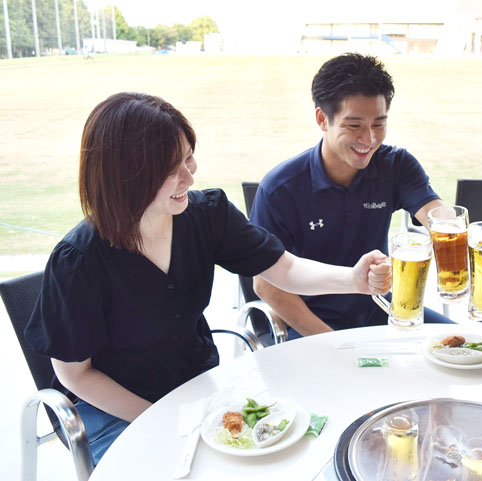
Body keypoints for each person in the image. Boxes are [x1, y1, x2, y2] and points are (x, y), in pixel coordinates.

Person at [23, 92, 391, 464]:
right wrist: (158, 418)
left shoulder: (206, 215)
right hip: (113, 409)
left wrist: (353, 279)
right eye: (170, 169)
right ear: (125, 176)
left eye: (188, 157)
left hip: (196, 387)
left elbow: (285, 269)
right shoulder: (79, 261)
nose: (190, 175)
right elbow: (75, 376)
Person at [249, 53, 452, 339]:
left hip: (377, 308)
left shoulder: (396, 165)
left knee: (465, 346)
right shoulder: (280, 189)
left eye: (378, 124)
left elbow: (436, 215)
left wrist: (453, 230)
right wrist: (334, 342)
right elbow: (265, 285)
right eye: (354, 125)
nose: (369, 139)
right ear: (322, 119)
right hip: (306, 322)